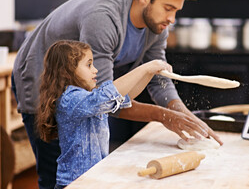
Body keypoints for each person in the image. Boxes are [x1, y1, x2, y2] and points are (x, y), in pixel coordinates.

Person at [12, 0, 223, 189]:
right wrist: (164, 116)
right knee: (56, 175)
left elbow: (159, 80)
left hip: (86, 92)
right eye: (168, 8)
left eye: (176, 11)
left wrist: (183, 115)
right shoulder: (103, 19)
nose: (171, 19)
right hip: (39, 75)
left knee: (89, 166)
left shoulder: (157, 25)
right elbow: (105, 98)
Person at [37, 40, 178, 188]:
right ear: (66, 71)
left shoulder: (88, 96)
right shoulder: (70, 99)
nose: (95, 70)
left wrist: (149, 73)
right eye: (89, 65)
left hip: (92, 178)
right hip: (74, 183)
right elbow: (108, 94)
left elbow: (125, 96)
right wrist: (146, 67)